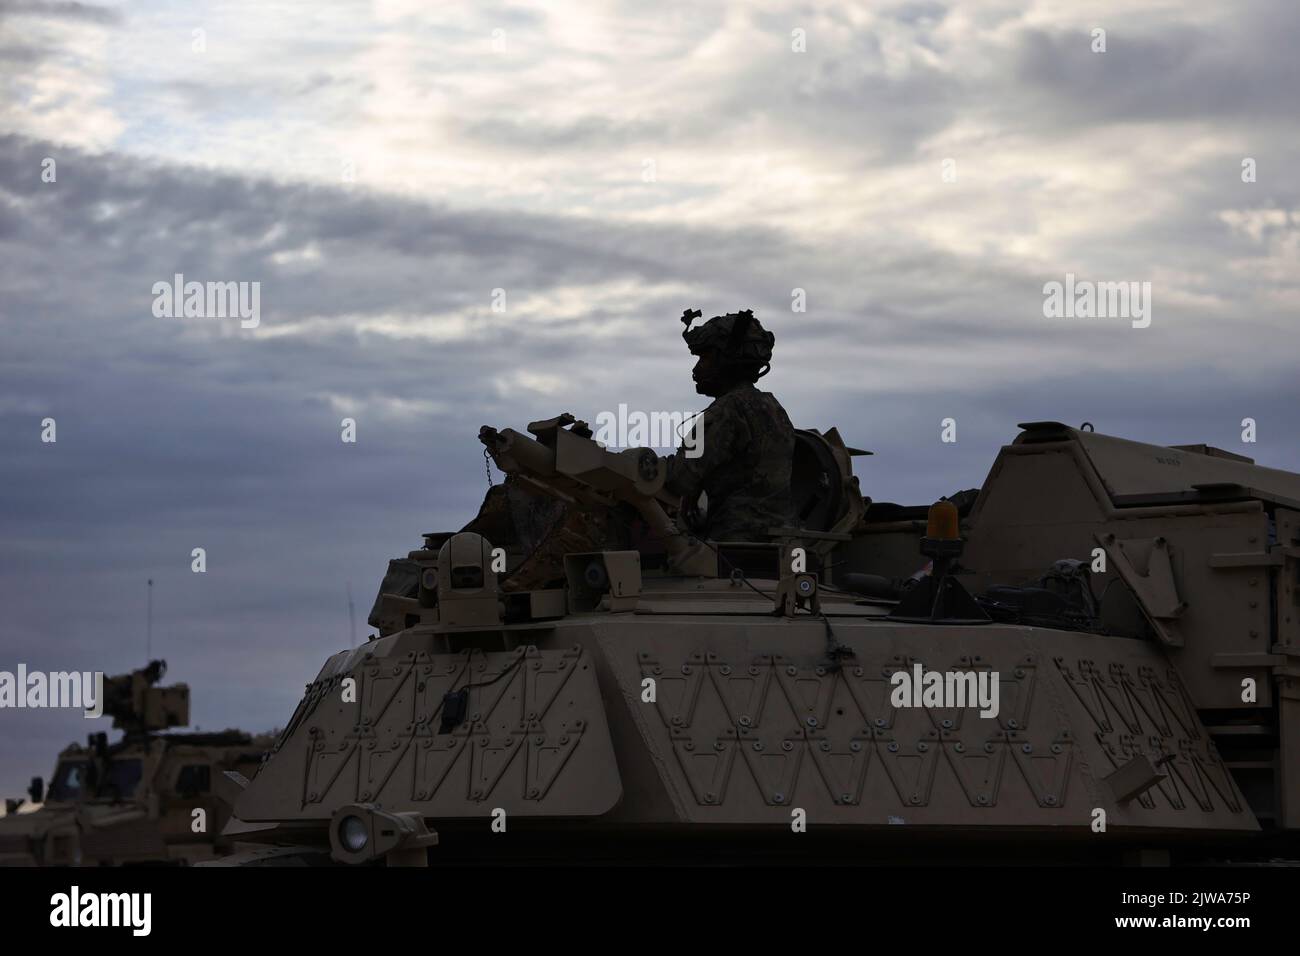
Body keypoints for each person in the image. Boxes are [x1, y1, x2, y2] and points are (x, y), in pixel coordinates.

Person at [663, 309, 794, 542]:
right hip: (778, 541)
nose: (696, 369)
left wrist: (639, 466)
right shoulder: (774, 408)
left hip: (731, 546)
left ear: (727, 360)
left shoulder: (726, 412)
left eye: (704, 358)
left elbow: (680, 479)